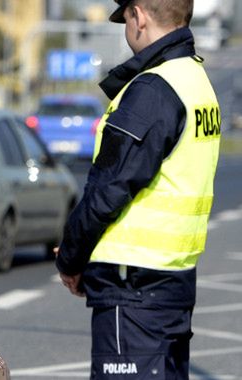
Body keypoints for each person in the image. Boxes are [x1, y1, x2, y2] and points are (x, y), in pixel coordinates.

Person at [54, 0, 220, 378]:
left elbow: (108, 188)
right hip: (173, 280)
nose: (126, 29)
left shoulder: (152, 89)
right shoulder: (195, 81)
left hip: (133, 286)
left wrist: (71, 259)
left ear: (139, 16)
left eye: (125, 19)